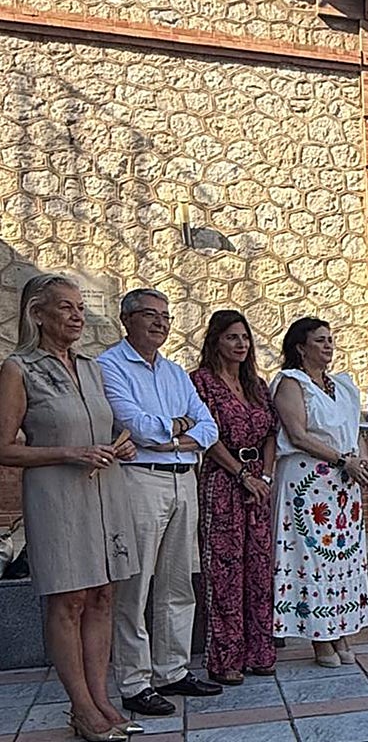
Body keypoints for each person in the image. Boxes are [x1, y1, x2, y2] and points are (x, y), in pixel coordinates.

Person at [0, 275, 142, 741]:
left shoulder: (91, 367)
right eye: (66, 307)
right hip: (56, 497)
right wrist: (68, 453)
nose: (78, 316)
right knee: (69, 600)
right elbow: (4, 447)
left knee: (102, 595)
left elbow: (105, 426)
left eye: (80, 307)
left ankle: (101, 699)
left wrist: (121, 444)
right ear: (37, 313)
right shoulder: (19, 369)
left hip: (105, 491)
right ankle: (81, 708)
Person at [98, 289, 222, 717]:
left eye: (166, 316)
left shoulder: (174, 373)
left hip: (183, 480)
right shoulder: (109, 366)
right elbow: (136, 426)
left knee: (178, 582)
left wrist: (173, 437)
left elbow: (209, 427)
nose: (160, 323)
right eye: (150, 315)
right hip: (140, 481)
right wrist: (179, 431)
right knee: (135, 586)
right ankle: (134, 682)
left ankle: (172, 670)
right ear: (126, 319)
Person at [271, 317, 368, 667]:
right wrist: (342, 459)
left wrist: (361, 462)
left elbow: (356, 430)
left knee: (342, 558)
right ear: (300, 347)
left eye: (330, 339)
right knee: (312, 558)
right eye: (319, 340)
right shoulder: (291, 382)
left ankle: (340, 629)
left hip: (343, 483)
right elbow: (298, 434)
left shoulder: (342, 384)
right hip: (308, 482)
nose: (328, 345)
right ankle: (319, 636)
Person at [191, 311, 279, 685]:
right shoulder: (201, 382)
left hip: (259, 484)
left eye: (244, 337)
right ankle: (226, 658)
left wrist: (264, 476)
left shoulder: (256, 385)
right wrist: (242, 475)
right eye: (231, 337)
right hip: (223, 481)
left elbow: (271, 432)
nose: (240, 344)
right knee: (225, 571)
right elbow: (207, 436)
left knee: (258, 569)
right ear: (215, 341)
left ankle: (259, 653)